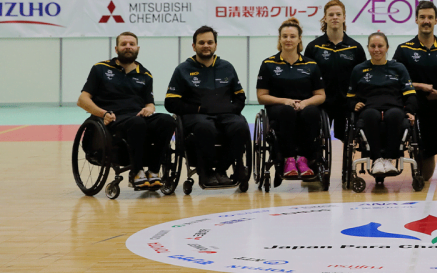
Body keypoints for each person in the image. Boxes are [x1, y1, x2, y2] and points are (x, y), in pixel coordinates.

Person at [77, 32, 176, 191]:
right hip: (111, 119)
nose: (128, 47)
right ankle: (135, 173)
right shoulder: (100, 69)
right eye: (124, 44)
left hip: (137, 118)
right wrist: (102, 113)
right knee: (137, 123)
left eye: (131, 44)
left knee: (168, 121)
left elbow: (150, 104)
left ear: (137, 48)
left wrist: (149, 109)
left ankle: (153, 171)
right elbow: (82, 100)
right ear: (116, 49)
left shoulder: (145, 74)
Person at [165, 26, 250, 188]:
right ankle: (206, 171)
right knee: (205, 127)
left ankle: (221, 170)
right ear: (194, 46)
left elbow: (240, 96)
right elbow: (171, 102)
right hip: (197, 116)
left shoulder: (227, 67)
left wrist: (232, 109)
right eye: (201, 42)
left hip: (225, 115)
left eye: (210, 42)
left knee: (240, 126)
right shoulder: (183, 69)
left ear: (215, 45)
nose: (206, 45)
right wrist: (198, 109)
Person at [392, 0, 437, 181]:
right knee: (425, 176)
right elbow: (394, 81)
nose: (426, 21)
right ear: (416, 20)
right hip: (419, 107)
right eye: (422, 17)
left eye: (430, 17)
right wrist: (419, 86)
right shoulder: (404, 50)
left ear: (436, 20)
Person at [256, 17, 326, 179]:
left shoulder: (311, 65)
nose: (288, 40)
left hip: (305, 106)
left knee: (311, 114)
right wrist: (285, 101)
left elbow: (321, 95)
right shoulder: (268, 64)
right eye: (285, 36)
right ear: (279, 39)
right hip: (279, 108)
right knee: (287, 112)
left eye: (292, 36)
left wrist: (305, 103)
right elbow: (261, 96)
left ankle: (303, 159)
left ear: (299, 39)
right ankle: (287, 159)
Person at [347, 32, 418, 177]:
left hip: (394, 108)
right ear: (368, 48)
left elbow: (410, 94)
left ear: (387, 48)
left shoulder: (398, 68)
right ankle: (377, 159)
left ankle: (389, 159)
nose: (376, 49)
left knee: (395, 115)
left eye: (380, 46)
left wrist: (410, 111)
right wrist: (354, 104)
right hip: (369, 108)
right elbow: (349, 98)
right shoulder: (359, 70)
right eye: (373, 46)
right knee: (371, 115)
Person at [304, 0, 367, 141]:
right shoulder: (313, 47)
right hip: (321, 103)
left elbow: (362, 78)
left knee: (347, 139)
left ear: (344, 17)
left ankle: (347, 164)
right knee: (316, 140)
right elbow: (306, 76)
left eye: (338, 14)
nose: (334, 17)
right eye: (331, 14)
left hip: (346, 104)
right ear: (325, 18)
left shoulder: (355, 48)